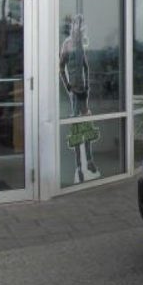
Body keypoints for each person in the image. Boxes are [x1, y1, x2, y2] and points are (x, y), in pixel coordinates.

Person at [59, 14, 100, 183]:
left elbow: (86, 66)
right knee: (76, 128)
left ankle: (89, 161)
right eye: (78, 24)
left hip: (83, 91)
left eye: (82, 25)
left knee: (87, 126)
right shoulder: (67, 44)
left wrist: (88, 85)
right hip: (74, 92)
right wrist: (67, 84)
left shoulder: (81, 45)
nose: (80, 28)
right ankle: (78, 165)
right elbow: (61, 66)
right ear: (73, 26)